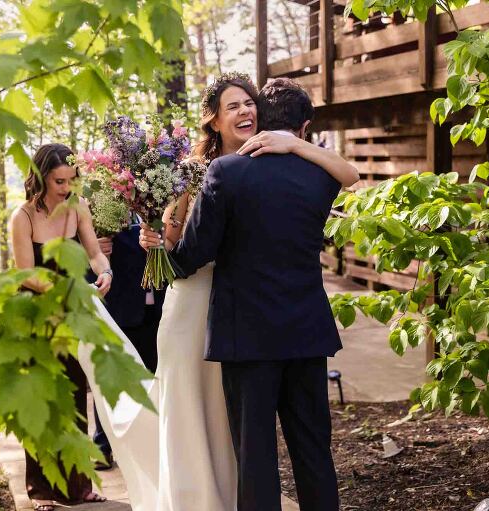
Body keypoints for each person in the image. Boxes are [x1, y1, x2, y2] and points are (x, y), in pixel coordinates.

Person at [79, 72, 357, 511]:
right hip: (306, 332)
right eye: (235, 106)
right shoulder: (321, 176)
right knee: (313, 452)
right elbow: (349, 173)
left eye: (250, 105)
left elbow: (193, 255)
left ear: (264, 118)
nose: (245, 113)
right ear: (305, 128)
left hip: (246, 334)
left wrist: (169, 256)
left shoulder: (227, 172)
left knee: (255, 456)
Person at [9, 143, 112, 511]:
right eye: (58, 181)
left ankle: (79, 485)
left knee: (74, 396)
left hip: (74, 312)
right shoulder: (22, 217)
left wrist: (105, 272)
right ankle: (42, 491)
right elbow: (27, 274)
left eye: (71, 180)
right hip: (37, 315)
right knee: (41, 400)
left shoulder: (79, 207)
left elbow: (95, 253)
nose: (66, 188)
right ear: (41, 178)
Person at [91, 220, 165, 470]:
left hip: (161, 308)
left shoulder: (164, 199)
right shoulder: (102, 208)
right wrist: (97, 250)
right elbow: (92, 259)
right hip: (123, 307)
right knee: (112, 378)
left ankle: (156, 442)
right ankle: (102, 447)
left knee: (158, 379)